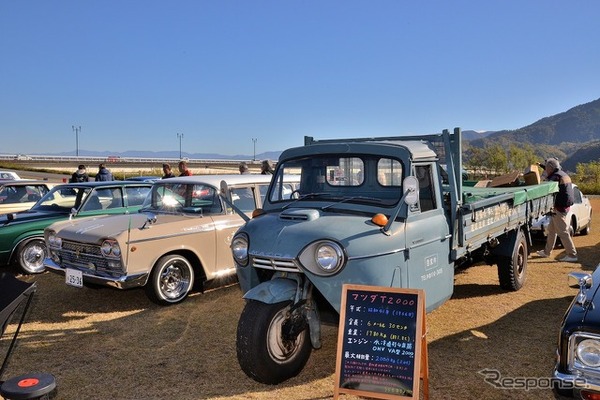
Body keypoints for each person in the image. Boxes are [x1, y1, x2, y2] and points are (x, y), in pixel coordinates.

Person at [536, 158, 577, 262]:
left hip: (559, 207)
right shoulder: (562, 174)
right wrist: (541, 165)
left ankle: (572, 255)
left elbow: (546, 186)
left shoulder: (555, 177)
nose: (546, 170)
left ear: (551, 168)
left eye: (547, 168)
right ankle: (546, 252)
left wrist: (542, 177)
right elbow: (550, 168)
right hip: (563, 206)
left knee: (563, 232)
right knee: (552, 230)